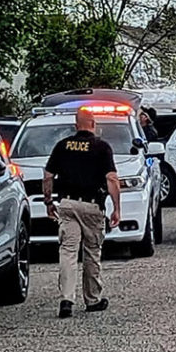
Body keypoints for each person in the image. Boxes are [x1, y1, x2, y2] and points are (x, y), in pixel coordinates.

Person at [43, 108, 122, 319]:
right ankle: (92, 299)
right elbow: (112, 180)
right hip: (92, 206)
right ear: (93, 125)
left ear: (76, 126)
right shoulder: (102, 147)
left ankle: (67, 300)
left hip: (67, 205)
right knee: (91, 252)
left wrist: (49, 202)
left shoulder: (62, 146)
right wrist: (117, 208)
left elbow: (48, 176)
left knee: (68, 252)